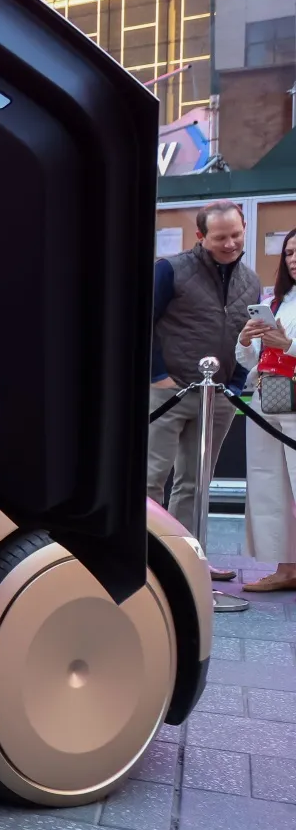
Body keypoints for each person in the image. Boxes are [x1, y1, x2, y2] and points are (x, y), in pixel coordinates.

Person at [150, 202, 255, 567]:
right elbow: (139, 321)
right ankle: (145, 562)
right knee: (151, 479)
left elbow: (246, 335)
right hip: (168, 391)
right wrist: (157, 376)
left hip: (220, 395)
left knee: (196, 485)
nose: (230, 243)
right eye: (220, 236)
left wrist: (236, 383)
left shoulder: (251, 281)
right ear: (201, 236)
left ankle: (185, 564)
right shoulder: (170, 270)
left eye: (236, 234)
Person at [239, 228, 296, 592]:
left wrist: (288, 345)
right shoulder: (276, 301)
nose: (294, 258)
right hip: (267, 396)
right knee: (268, 482)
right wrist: (245, 341)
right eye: (289, 252)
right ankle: (285, 567)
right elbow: (248, 360)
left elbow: (287, 348)